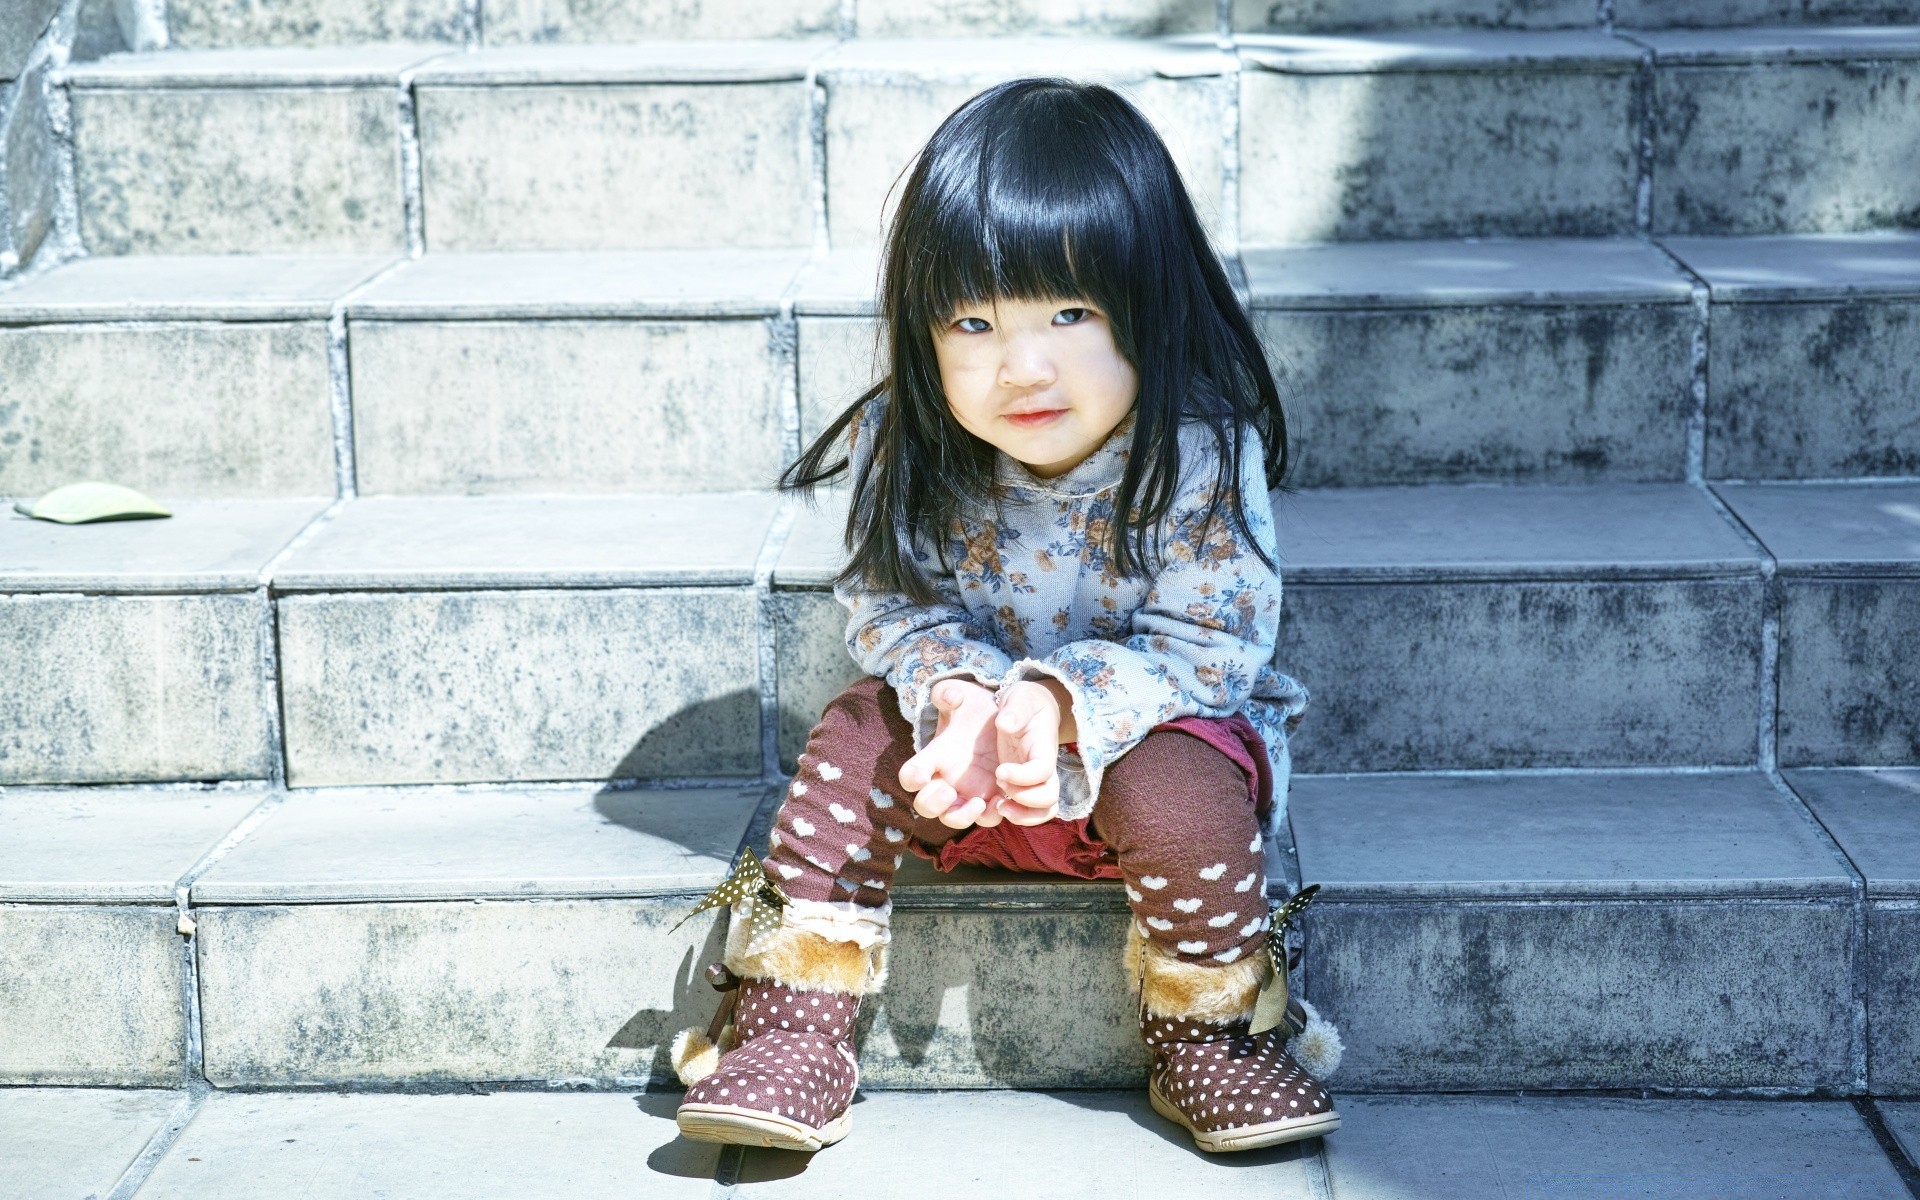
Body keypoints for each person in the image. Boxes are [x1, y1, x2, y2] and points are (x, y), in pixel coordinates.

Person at [670, 76, 1340, 1155]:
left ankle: (1213, 1034)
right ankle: (793, 1020)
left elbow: (1215, 646)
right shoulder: (908, 441)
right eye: (973, 321)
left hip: (1143, 768)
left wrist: (1059, 702)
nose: (1022, 366)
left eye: (1070, 313)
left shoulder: (1203, 452)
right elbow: (887, 603)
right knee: (852, 734)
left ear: (1149, 307)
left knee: (1183, 784)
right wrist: (964, 696)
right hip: (963, 779)